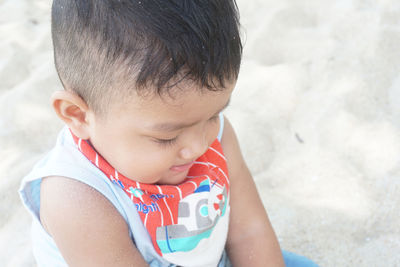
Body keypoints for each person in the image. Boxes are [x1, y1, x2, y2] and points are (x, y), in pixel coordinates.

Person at [19, 1, 319, 266]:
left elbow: (248, 232)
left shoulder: (211, 135)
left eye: (213, 115)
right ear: (79, 115)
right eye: (167, 138)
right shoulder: (76, 198)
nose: (198, 146)